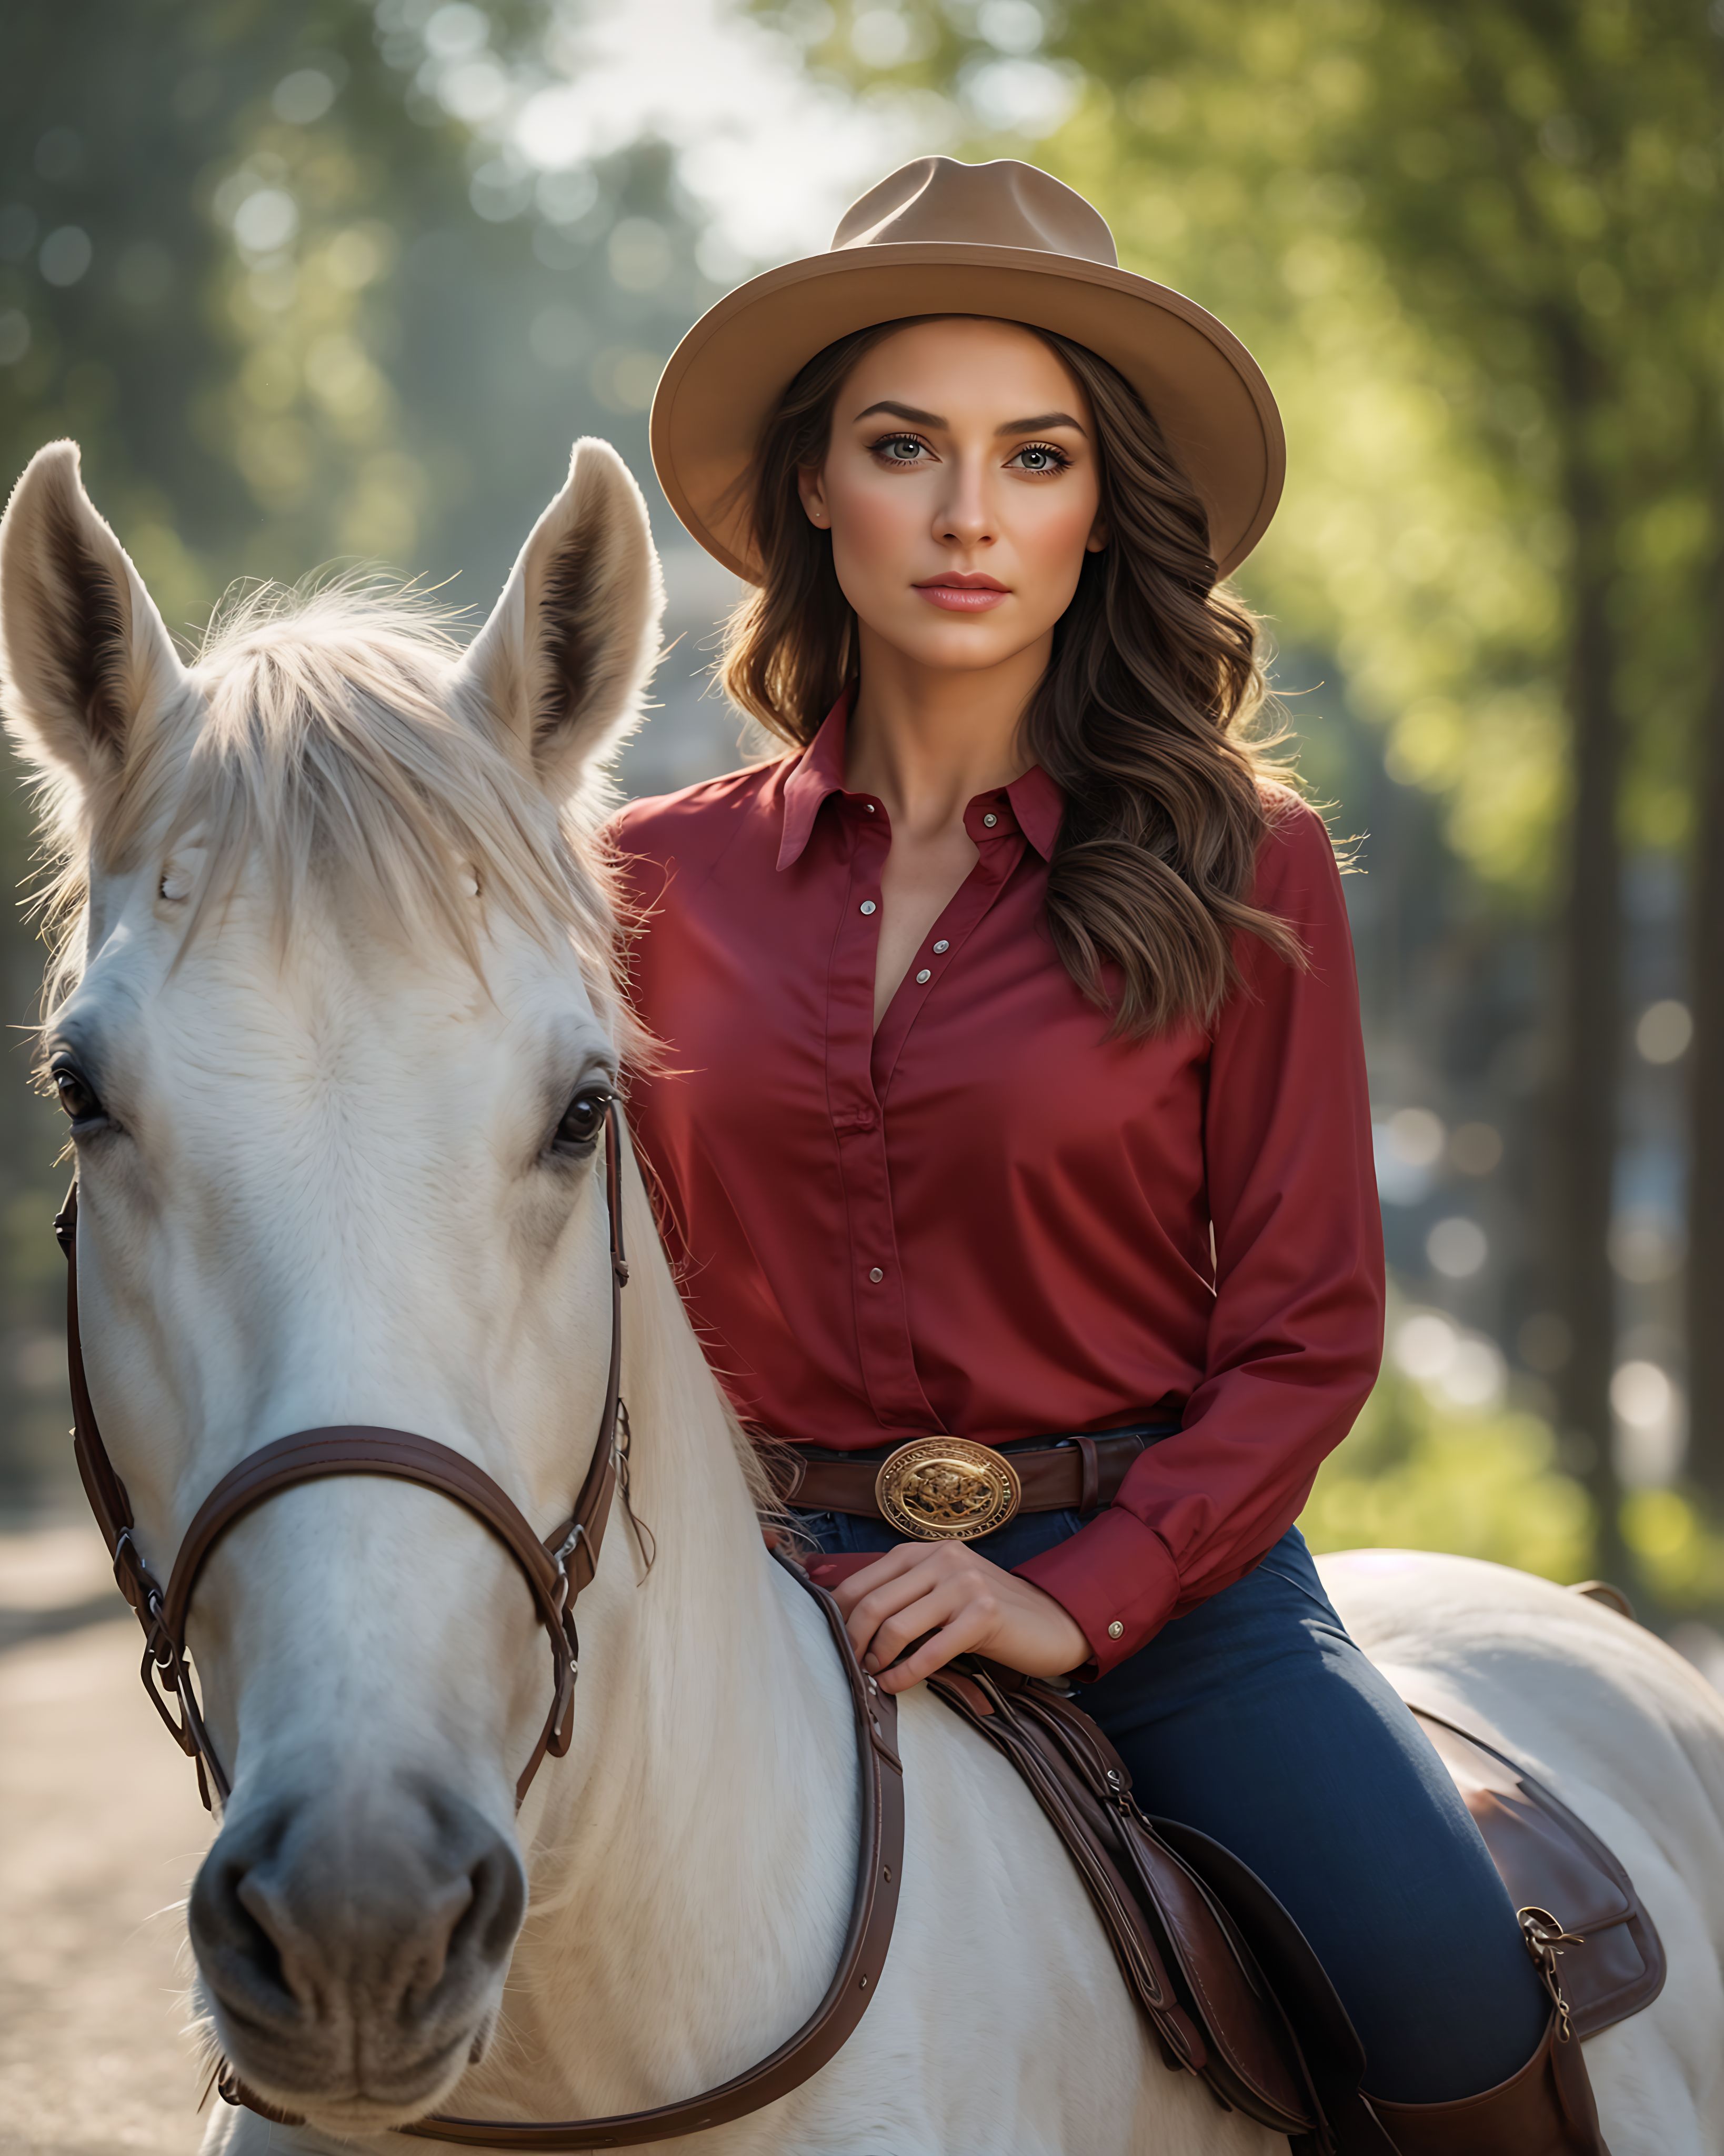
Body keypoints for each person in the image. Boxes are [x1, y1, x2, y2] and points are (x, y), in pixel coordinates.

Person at [612, 156, 1581, 2152]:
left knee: (1442, 1981)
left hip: (1167, 1595)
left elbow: (1306, 1331)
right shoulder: (634, 886)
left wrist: (1083, 1592)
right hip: (749, 1591)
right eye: (906, 447)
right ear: (816, 484)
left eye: (1032, 456)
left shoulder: (1247, 865)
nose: (969, 514)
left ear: (1093, 504)